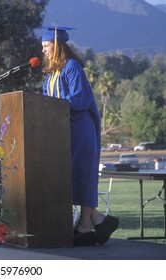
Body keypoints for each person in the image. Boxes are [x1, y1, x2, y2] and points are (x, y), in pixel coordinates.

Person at [40, 26, 119, 246]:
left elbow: (78, 101)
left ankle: (87, 225)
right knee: (73, 177)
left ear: (57, 46)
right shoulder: (52, 74)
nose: (43, 51)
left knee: (83, 175)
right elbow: (45, 102)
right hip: (64, 133)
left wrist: (53, 106)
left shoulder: (72, 68)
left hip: (80, 130)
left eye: (46, 46)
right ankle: (96, 220)